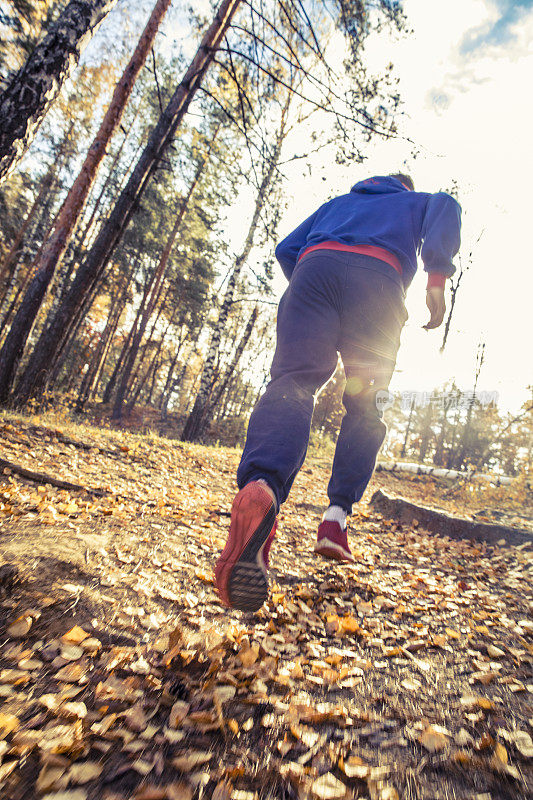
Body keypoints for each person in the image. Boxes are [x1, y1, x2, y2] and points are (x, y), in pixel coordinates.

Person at [215, 173, 461, 612]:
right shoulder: (415, 201)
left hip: (314, 269)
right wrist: (436, 277)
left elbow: (287, 247)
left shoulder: (336, 205)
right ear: (405, 187)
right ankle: (335, 520)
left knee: (292, 380)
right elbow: (446, 203)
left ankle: (262, 486)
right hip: (379, 283)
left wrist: (313, 283)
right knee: (370, 406)